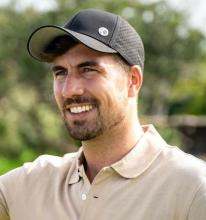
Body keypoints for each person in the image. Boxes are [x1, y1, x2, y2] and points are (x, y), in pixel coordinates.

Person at [0, 8, 206, 220]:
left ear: (133, 80)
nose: (69, 90)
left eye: (88, 70)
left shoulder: (192, 187)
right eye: (61, 73)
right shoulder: (31, 183)